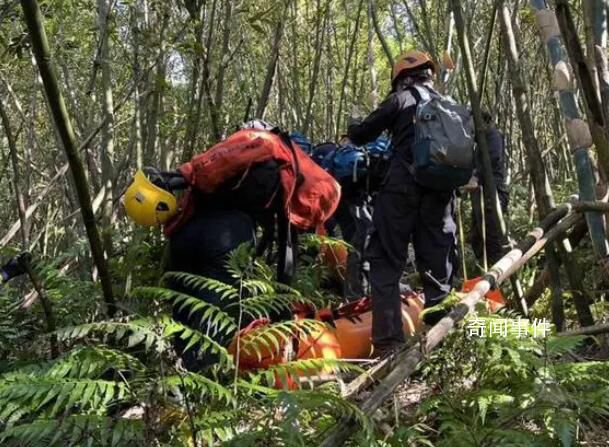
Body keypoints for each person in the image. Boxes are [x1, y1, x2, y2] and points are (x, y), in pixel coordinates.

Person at [123, 120, 340, 369]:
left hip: (183, 234)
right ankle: (201, 386)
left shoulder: (220, 164)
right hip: (226, 238)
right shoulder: (279, 165)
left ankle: (177, 377)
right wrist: (282, 311)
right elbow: (285, 255)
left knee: (183, 309)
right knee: (215, 318)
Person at [347, 50, 458, 357]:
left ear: (400, 78)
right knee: (437, 266)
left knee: (385, 262)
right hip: (440, 194)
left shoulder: (401, 100)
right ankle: (442, 341)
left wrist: (354, 124)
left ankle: (389, 343)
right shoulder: (448, 105)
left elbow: (360, 135)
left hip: (400, 191)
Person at [466, 111, 509, 266]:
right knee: (478, 236)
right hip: (480, 194)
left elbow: (491, 160)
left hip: (493, 193)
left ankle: (497, 278)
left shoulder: (493, 136)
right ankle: (484, 271)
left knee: (492, 237)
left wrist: (476, 177)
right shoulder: (478, 142)